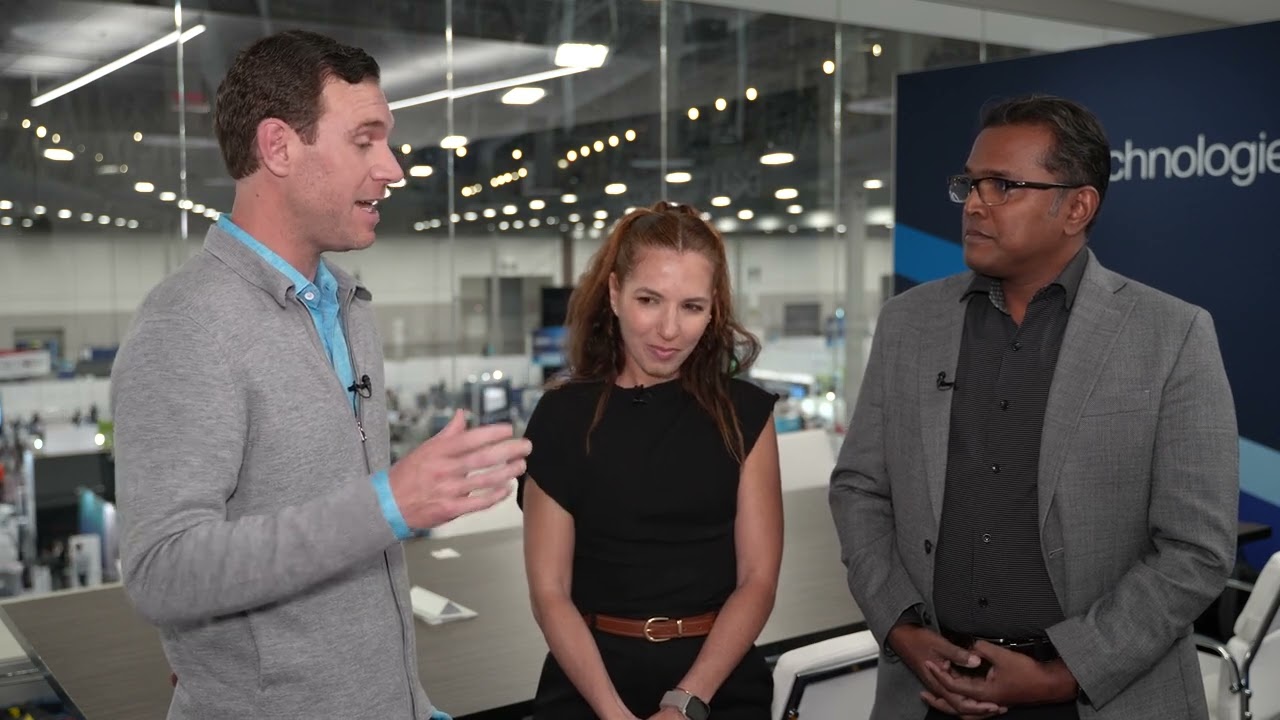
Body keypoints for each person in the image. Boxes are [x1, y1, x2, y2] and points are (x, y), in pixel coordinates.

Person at [111, 30, 530, 719]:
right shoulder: (186, 325)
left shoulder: (347, 306)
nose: (392, 167)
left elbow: (354, 569)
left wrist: (408, 702)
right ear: (279, 147)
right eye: (365, 141)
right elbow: (162, 571)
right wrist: (388, 503)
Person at [829, 94, 1238, 720]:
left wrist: (1063, 674)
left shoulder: (1171, 335)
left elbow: (1195, 549)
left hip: (1099, 697)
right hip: (929, 689)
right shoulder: (908, 323)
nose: (974, 204)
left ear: (1076, 207)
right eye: (970, 184)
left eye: (1002, 186)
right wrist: (901, 627)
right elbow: (859, 488)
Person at [519, 202, 783, 720]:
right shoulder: (560, 417)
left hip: (716, 685)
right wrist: (612, 712)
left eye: (691, 307)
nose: (669, 329)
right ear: (614, 294)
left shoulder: (747, 414)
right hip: (589, 685)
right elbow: (550, 593)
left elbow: (758, 580)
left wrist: (684, 703)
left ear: (713, 310)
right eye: (649, 300)